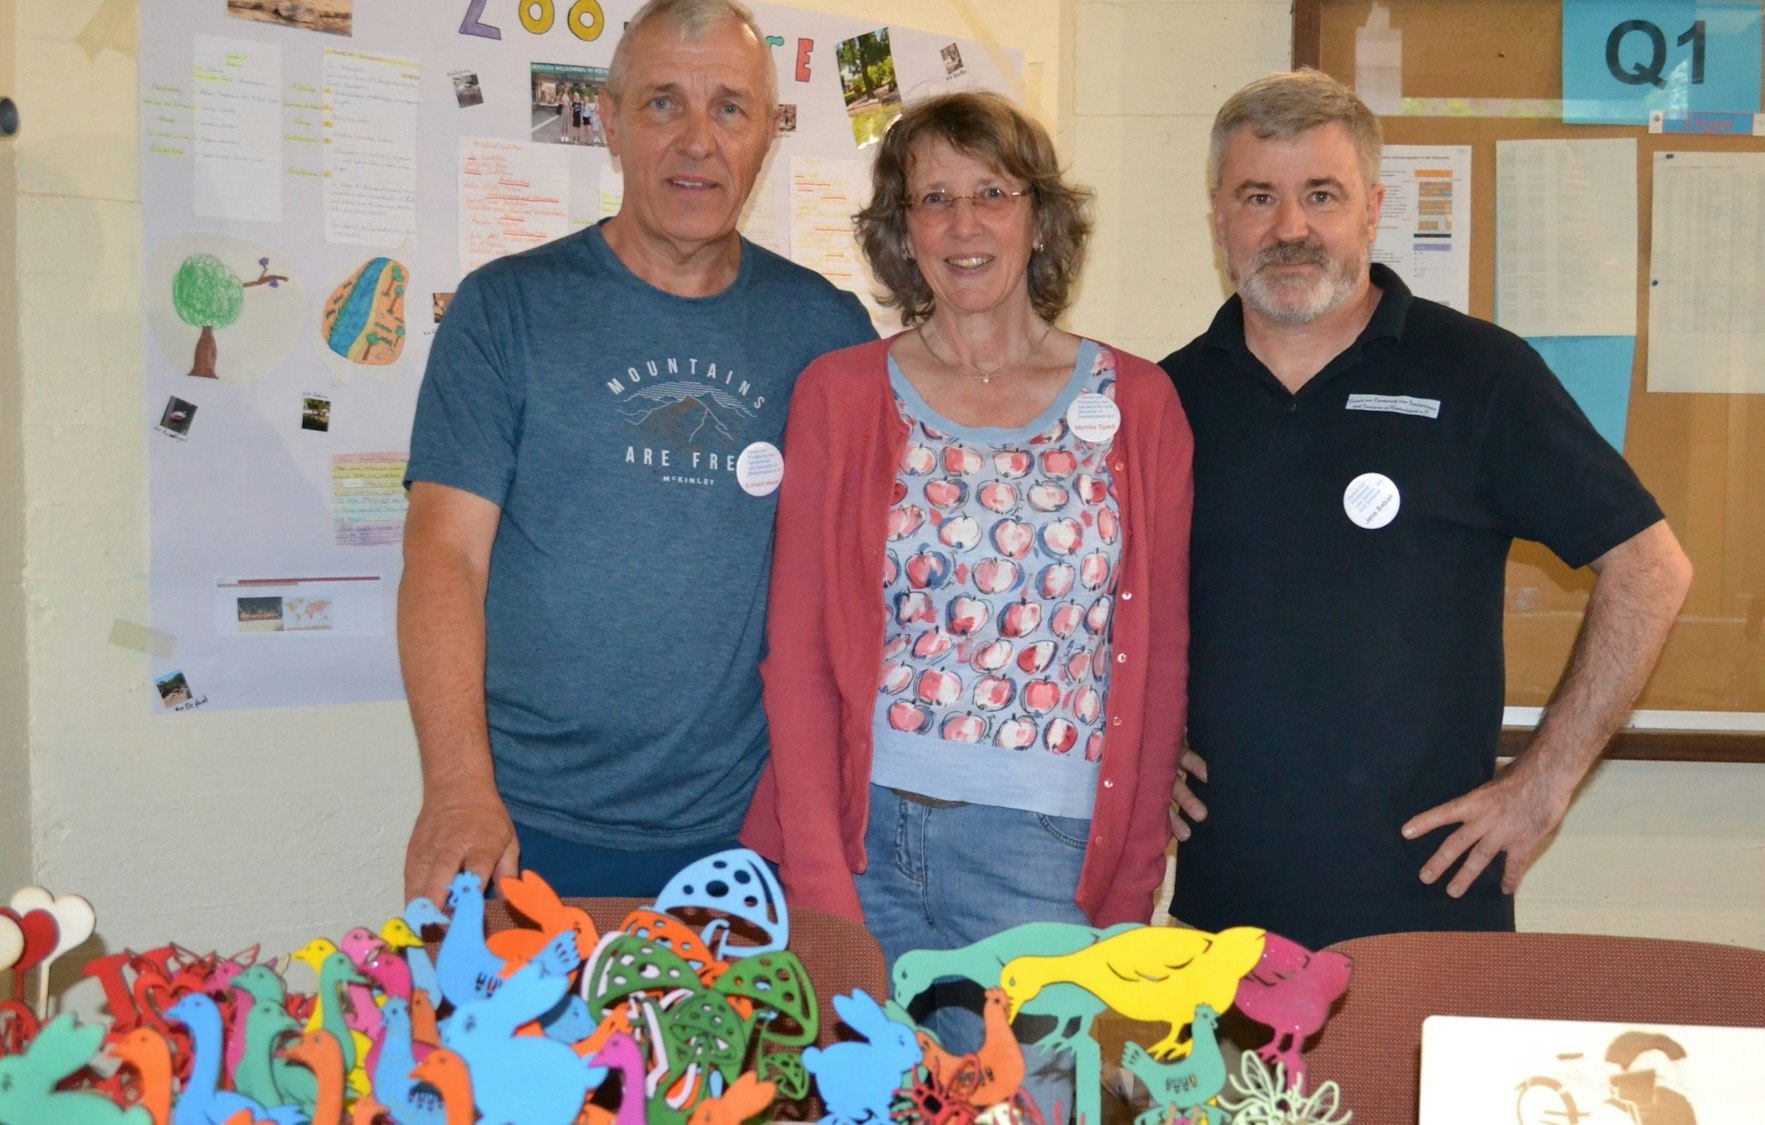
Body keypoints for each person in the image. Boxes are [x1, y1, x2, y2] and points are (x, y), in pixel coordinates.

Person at [1162, 70, 1693, 948]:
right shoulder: (1167, 397)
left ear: (1371, 210)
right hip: (1220, 919)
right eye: (1260, 196)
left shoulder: (1479, 375)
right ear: (1219, 215)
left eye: (1320, 195)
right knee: (1227, 1096)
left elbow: (1651, 565)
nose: (1291, 227)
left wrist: (1544, 783)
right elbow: (1105, 595)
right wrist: (1139, 740)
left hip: (1429, 914)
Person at [739, 91, 1191, 1110]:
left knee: (1034, 1107)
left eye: (991, 191)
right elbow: (799, 657)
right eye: (931, 198)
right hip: (863, 847)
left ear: (1039, 216)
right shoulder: (839, 394)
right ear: (901, 233)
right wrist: (821, 893)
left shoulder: (1138, 406)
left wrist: (1124, 899)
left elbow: (1156, 667)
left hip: (1042, 857)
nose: (963, 223)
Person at [399, 0, 876, 905]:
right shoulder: (504, 311)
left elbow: (872, 567)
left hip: (750, 840)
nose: (698, 140)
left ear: (765, 138)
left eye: (729, 108)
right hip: (523, 828)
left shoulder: (826, 330)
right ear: (609, 124)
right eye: (663, 103)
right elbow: (443, 554)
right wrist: (459, 786)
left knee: (737, 1055)